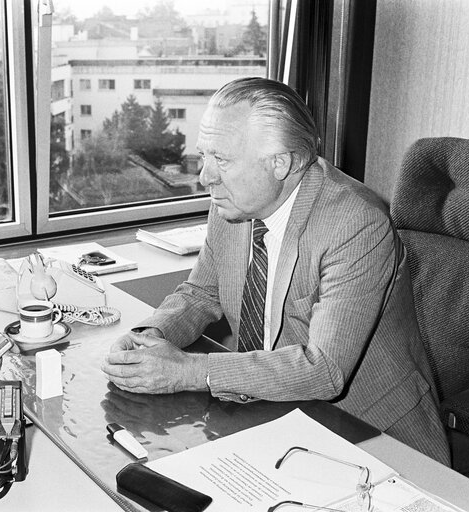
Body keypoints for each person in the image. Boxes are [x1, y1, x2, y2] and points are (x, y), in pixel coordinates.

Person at [102, 77, 450, 465]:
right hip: (273, 415)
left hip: (370, 436)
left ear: (280, 163)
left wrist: (188, 371)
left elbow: (325, 369)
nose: (205, 177)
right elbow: (201, 293)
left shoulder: (355, 223)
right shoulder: (233, 201)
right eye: (204, 156)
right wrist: (150, 336)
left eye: (222, 160)